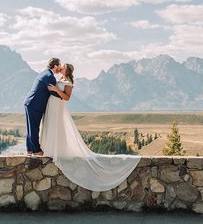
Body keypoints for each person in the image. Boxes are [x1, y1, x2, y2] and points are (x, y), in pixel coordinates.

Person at [40, 63, 141, 191]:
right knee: (52, 126)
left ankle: (57, 151)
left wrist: (56, 90)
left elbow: (67, 97)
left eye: (63, 66)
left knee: (59, 127)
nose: (61, 67)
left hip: (59, 106)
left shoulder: (68, 82)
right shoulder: (59, 78)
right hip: (52, 106)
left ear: (67, 70)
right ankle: (50, 149)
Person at [23, 57, 62, 156]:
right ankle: (36, 150)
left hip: (31, 103)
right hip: (35, 104)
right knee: (34, 128)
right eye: (59, 65)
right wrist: (64, 95)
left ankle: (29, 149)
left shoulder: (44, 73)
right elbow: (53, 92)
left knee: (31, 127)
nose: (60, 68)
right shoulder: (50, 76)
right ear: (55, 65)